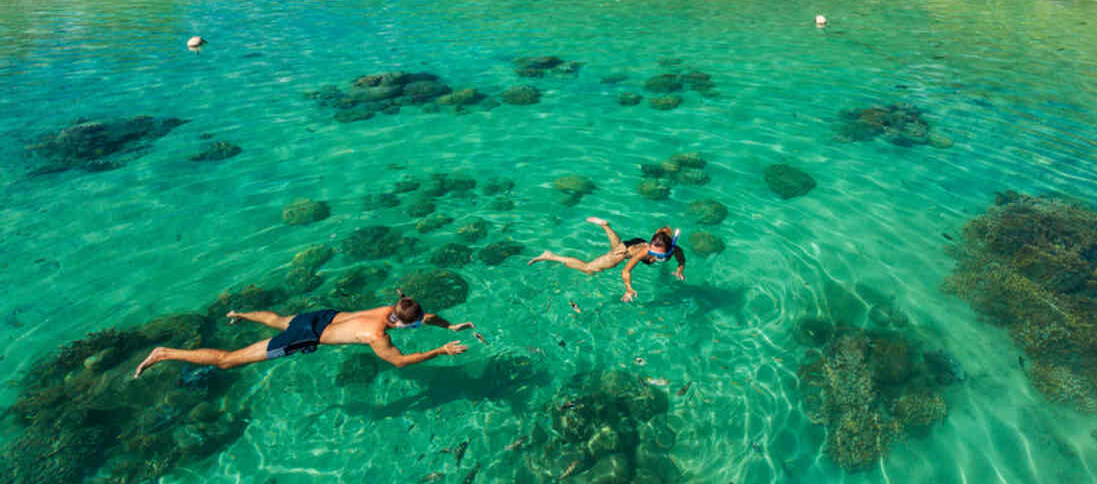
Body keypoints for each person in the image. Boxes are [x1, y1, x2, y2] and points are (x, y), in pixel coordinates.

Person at [133, 289, 470, 378]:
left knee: (279, 319)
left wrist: (449, 325)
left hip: (321, 316)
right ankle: (164, 353)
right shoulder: (378, 337)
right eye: (416, 323)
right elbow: (400, 363)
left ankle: (237, 313)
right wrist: (439, 351)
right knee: (225, 362)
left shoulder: (388, 309)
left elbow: (427, 315)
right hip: (306, 338)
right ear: (404, 323)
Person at [528, 217, 685, 302]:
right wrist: (629, 288)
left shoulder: (674, 249)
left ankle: (605, 226)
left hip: (633, 243)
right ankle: (550, 256)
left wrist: (679, 270)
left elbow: (681, 259)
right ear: (650, 246)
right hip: (626, 251)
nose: (656, 257)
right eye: (653, 253)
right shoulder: (644, 252)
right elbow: (626, 270)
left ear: (669, 249)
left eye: (661, 256)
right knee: (590, 269)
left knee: (614, 249)